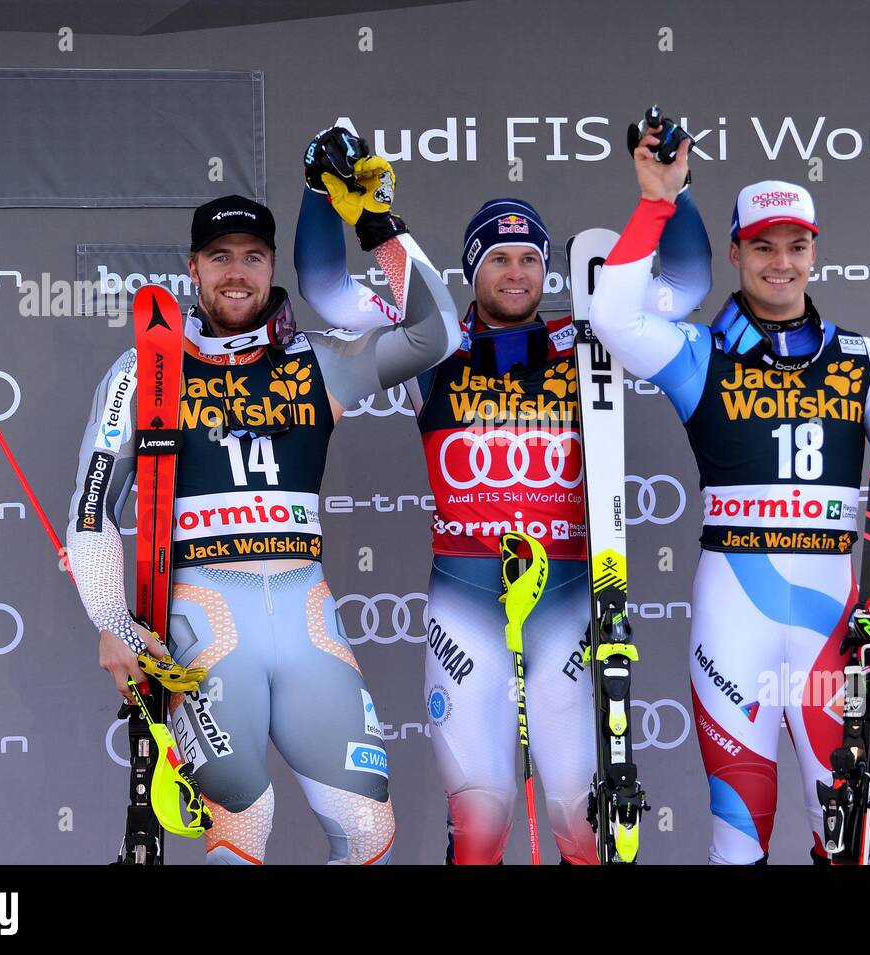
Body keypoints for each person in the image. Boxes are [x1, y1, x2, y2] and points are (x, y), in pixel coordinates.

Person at [296, 127, 712, 863]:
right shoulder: (435, 346)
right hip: (465, 605)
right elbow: (327, 289)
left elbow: (689, 280)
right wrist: (319, 194)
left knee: (584, 817)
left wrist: (670, 192)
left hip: (570, 598)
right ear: (471, 270)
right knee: (480, 818)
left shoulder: (589, 341)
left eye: (529, 259)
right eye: (498, 259)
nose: (515, 273)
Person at [65, 174, 460, 864]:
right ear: (192, 268)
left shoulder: (321, 362)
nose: (237, 272)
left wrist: (376, 224)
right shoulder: (144, 370)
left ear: (274, 265)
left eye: (253, 255)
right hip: (205, 625)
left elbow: (436, 333)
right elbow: (93, 509)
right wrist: (111, 620)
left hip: (308, 619)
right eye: (219, 256)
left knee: (369, 830)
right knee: (243, 822)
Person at [587, 125, 870, 865]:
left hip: (832, 620)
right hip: (733, 617)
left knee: (849, 829)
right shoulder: (700, 356)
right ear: (736, 253)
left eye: (796, 246)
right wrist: (656, 203)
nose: (781, 263)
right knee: (738, 829)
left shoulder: (864, 358)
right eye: (763, 246)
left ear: (814, 252)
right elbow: (611, 319)